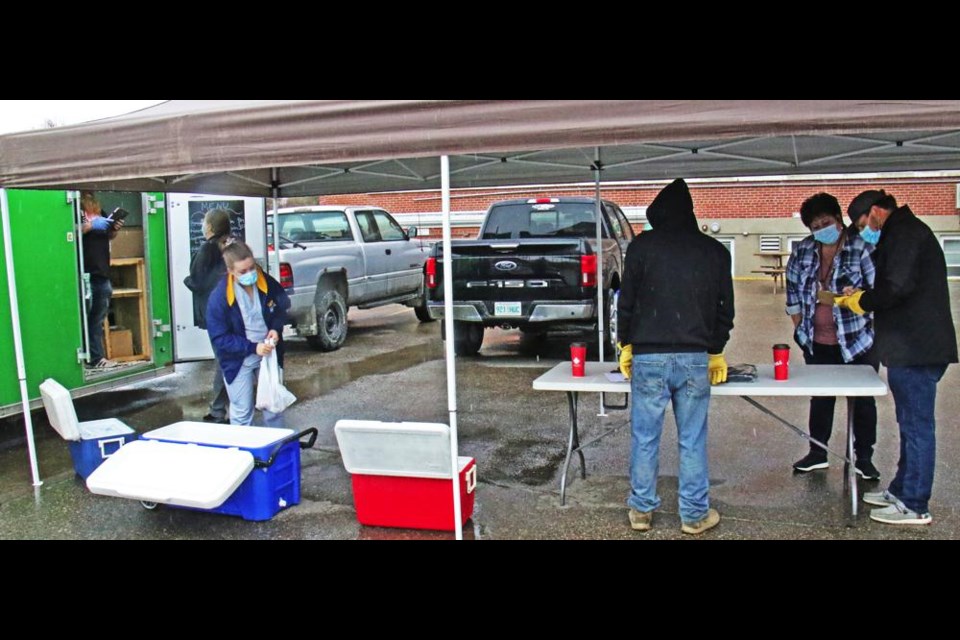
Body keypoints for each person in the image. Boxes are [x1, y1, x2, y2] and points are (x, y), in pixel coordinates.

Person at [617, 178, 735, 535]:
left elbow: (627, 303)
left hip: (649, 356)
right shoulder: (715, 251)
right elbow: (724, 310)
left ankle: (641, 511)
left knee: (645, 436)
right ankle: (695, 515)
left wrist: (626, 344)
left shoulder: (641, 247)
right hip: (694, 357)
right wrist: (715, 350)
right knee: (692, 438)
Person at [836, 190, 958, 525]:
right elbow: (893, 284)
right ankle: (902, 489)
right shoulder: (902, 232)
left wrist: (863, 301)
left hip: (916, 348)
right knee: (908, 424)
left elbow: (896, 287)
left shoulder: (904, 233)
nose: (863, 233)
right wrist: (862, 295)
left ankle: (915, 504)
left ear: (876, 211)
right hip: (912, 347)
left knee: (917, 427)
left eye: (863, 225)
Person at [785, 193, 879, 480]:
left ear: (839, 219)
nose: (820, 229)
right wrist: (800, 324)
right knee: (821, 397)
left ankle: (863, 458)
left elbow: (878, 292)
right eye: (814, 226)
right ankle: (817, 453)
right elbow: (792, 291)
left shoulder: (861, 248)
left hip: (858, 341)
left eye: (825, 222)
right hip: (817, 340)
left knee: (862, 401)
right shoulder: (803, 250)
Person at [206, 241, 291, 427]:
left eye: (252, 268)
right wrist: (253, 347)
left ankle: (276, 451)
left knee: (274, 408)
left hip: (268, 355)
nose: (250, 274)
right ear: (230, 271)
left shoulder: (266, 282)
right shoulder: (219, 297)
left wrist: (276, 329)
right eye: (242, 272)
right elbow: (219, 338)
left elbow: (282, 306)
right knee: (242, 413)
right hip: (238, 359)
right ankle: (246, 454)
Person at [184, 208, 235, 424]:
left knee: (223, 361)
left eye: (204, 222)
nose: (202, 226)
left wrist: (186, 280)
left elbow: (197, 280)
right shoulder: (231, 246)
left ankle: (217, 411)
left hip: (215, 314)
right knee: (228, 359)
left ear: (210, 227)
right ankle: (226, 406)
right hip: (229, 311)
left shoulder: (208, 248)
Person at [79, 191, 123, 369]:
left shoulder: (101, 212)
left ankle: (96, 358)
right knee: (86, 318)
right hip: (85, 273)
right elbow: (67, 233)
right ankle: (94, 358)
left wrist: (114, 229)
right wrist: (89, 226)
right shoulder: (74, 209)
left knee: (98, 317)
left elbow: (108, 236)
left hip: (102, 272)